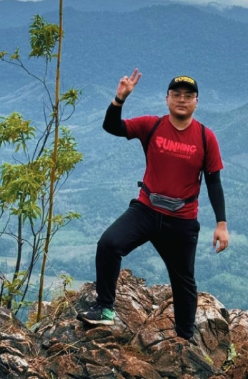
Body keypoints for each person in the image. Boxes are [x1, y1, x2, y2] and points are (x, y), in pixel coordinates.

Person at [78, 70, 229, 338]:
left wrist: (221, 223)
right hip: (146, 210)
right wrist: (119, 99)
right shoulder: (153, 125)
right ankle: (104, 308)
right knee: (109, 244)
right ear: (167, 99)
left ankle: (184, 337)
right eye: (176, 95)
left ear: (196, 102)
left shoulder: (206, 138)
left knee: (183, 282)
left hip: (181, 219)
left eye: (188, 96)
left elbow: (213, 182)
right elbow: (112, 127)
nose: (182, 100)